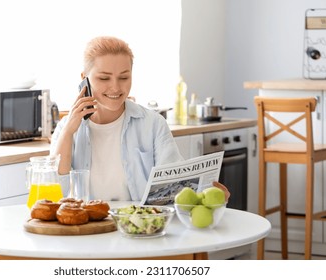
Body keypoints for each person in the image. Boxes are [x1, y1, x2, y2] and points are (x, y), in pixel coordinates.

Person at [50, 36, 230, 202]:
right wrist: (68, 132)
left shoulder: (152, 124)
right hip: (89, 228)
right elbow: (56, 191)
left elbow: (174, 183)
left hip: (137, 227)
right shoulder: (67, 128)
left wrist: (204, 191)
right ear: (84, 79)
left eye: (124, 77)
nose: (115, 87)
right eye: (104, 78)